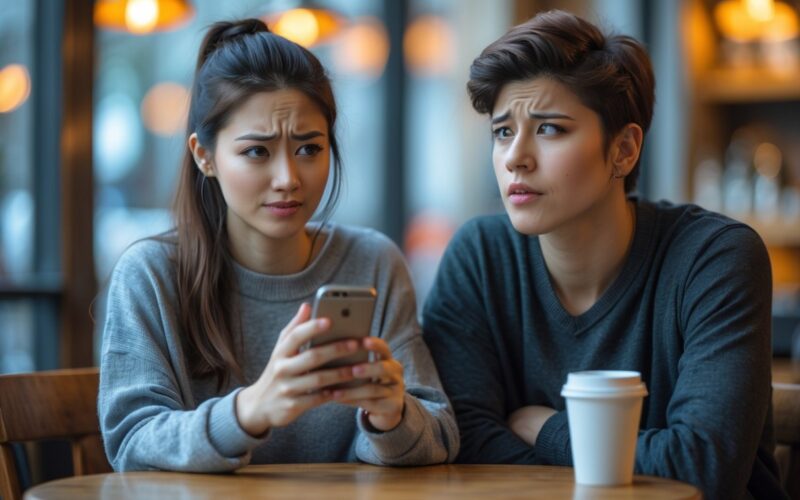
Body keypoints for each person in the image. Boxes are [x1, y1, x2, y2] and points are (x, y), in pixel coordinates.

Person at [422, 10, 785, 499]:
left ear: (624, 150)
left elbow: (703, 464)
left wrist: (546, 428)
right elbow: (459, 441)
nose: (515, 158)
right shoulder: (480, 257)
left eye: (549, 129)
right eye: (503, 131)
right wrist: (620, 455)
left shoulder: (714, 258)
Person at [98, 19, 458, 472]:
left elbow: (442, 434)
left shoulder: (372, 262)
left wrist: (392, 417)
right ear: (203, 156)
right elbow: (130, 443)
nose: (289, 179)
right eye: (257, 152)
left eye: (309, 149)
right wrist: (250, 410)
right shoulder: (151, 274)